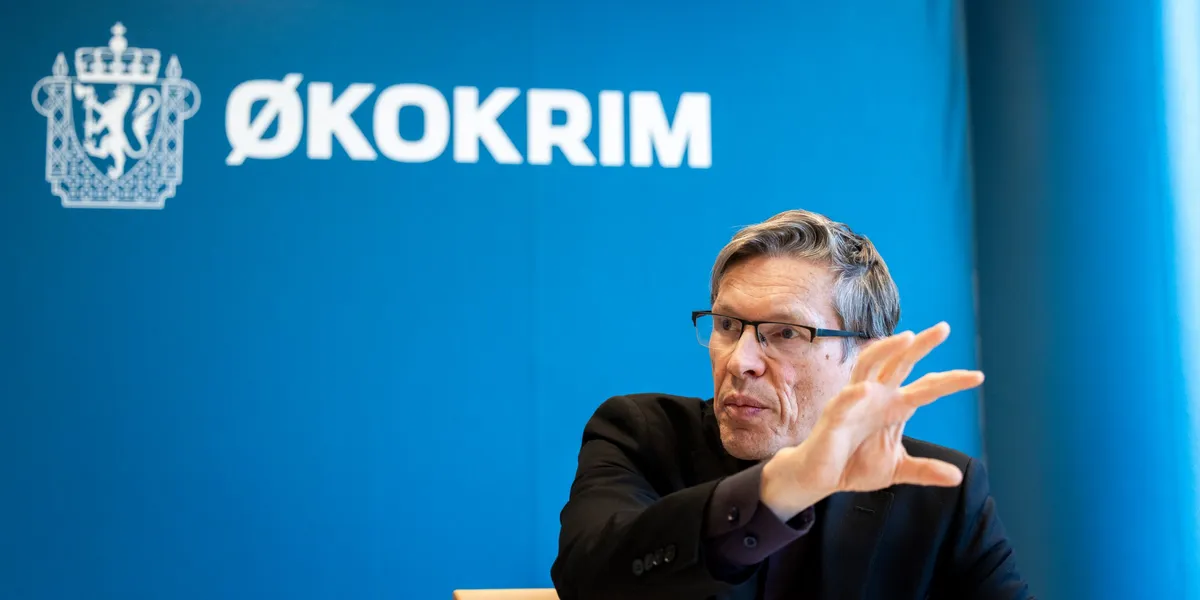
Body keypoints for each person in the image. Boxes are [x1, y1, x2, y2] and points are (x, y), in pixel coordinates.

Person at [549, 209, 1032, 599]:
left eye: (785, 333)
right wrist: (783, 487)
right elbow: (587, 579)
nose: (740, 361)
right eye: (727, 325)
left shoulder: (940, 490)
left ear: (867, 357)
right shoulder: (640, 434)